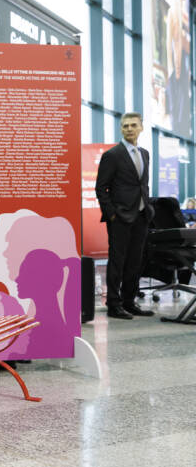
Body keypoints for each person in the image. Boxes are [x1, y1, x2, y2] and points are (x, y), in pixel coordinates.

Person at [95, 112, 155, 320]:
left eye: (133, 125)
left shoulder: (145, 153)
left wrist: (147, 208)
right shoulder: (113, 155)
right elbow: (101, 188)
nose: (129, 129)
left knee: (135, 261)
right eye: (125, 126)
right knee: (117, 261)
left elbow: (142, 184)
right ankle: (114, 304)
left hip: (140, 216)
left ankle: (129, 302)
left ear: (141, 128)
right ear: (121, 129)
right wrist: (111, 215)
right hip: (120, 217)